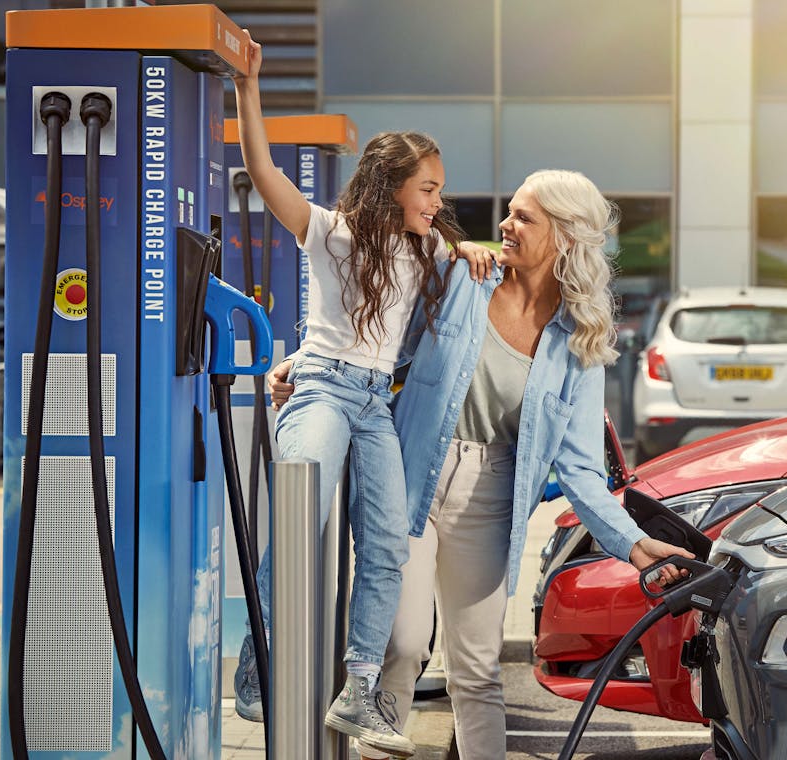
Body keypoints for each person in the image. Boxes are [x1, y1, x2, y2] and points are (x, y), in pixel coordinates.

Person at [268, 169, 694, 759]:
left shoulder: (582, 342)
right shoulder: (461, 277)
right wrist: (308, 366)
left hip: (491, 494)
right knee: (403, 643)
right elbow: (376, 334)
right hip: (409, 470)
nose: (505, 224)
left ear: (565, 237)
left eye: (524, 217)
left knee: (477, 667)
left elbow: (580, 471)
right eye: (510, 212)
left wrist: (636, 543)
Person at [230, 31, 494, 758]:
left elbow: (489, 259)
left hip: (374, 405)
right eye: (429, 189)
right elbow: (262, 173)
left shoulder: (424, 246)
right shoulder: (333, 232)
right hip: (320, 389)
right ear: (394, 187)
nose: (439, 201)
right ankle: (259, 657)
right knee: (302, 507)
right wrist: (249, 90)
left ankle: (359, 692)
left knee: (384, 544)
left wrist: (472, 247)